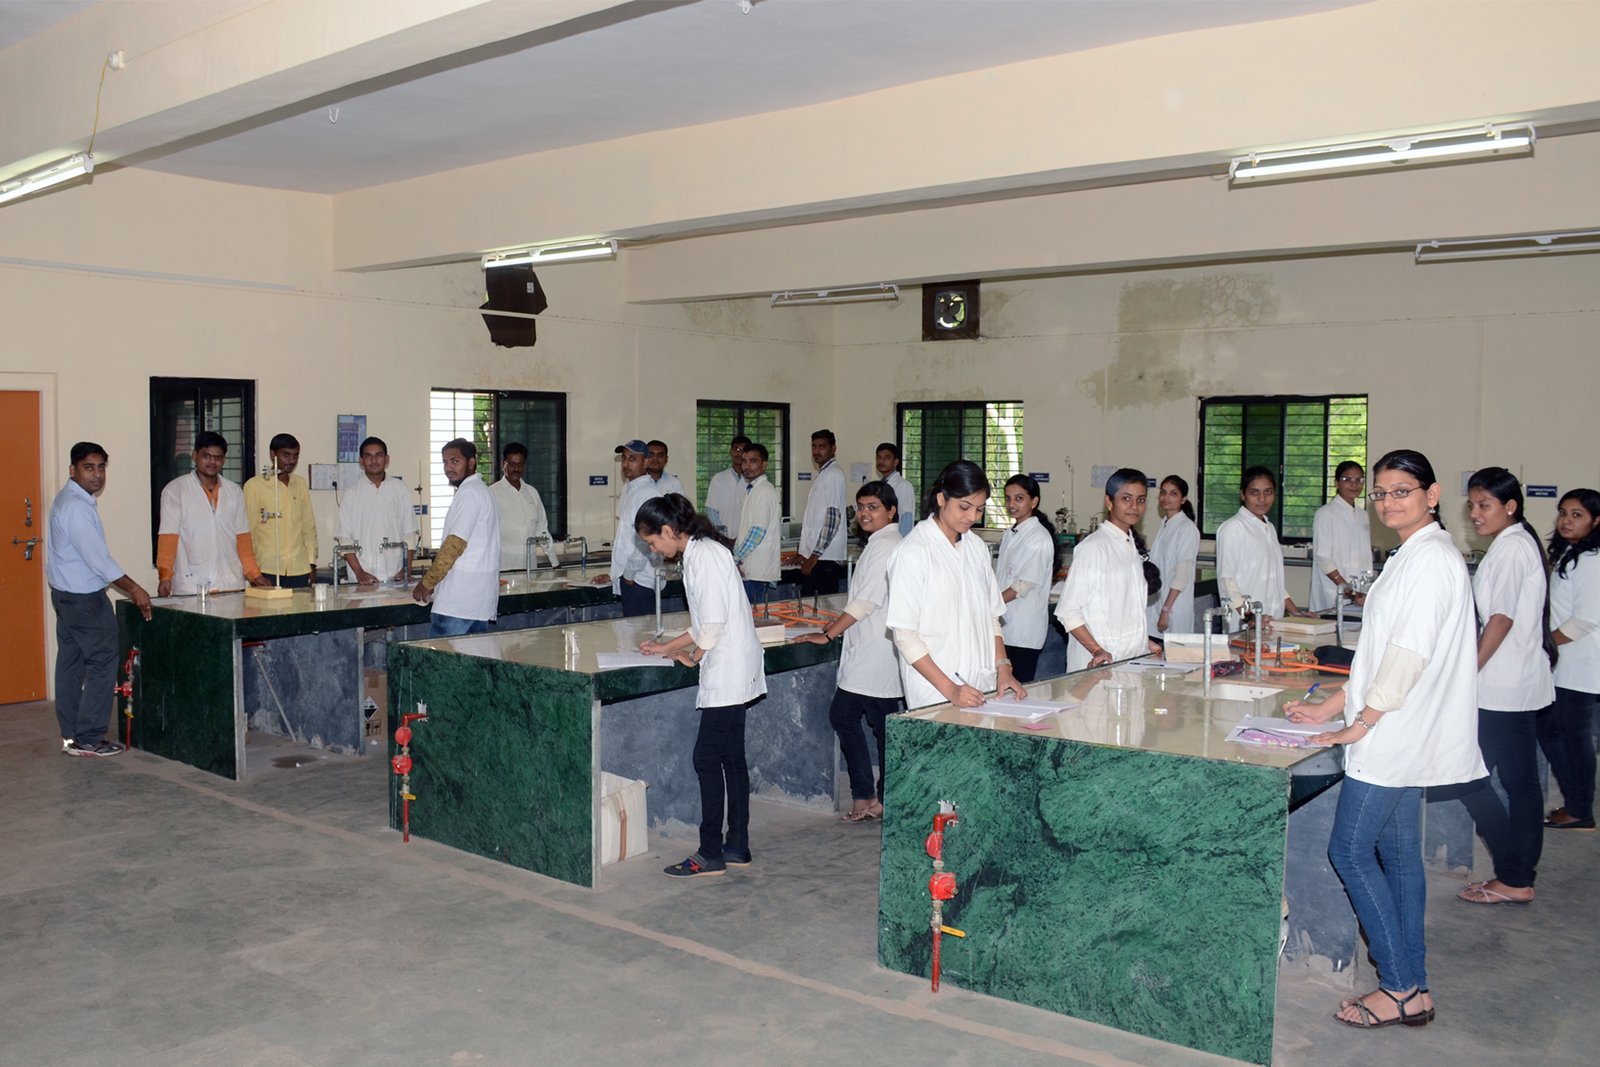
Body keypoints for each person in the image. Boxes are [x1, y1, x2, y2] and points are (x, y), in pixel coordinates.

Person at [1286, 449, 1484, 1029]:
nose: (1388, 502)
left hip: (1395, 733)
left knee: (1349, 851)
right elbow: (1377, 654)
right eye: (1381, 493)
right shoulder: (1411, 554)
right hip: (1399, 729)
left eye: (1402, 491)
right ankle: (1412, 985)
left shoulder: (1432, 560)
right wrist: (1329, 707)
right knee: (1397, 859)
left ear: (1432, 494)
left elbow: (1407, 656)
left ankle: (1396, 986)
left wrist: (1361, 722)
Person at [636, 494, 766, 877]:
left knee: (706, 759)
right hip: (735, 665)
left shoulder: (703, 557)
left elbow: (710, 627)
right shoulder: (702, 551)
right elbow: (705, 622)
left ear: (667, 530)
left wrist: (690, 657)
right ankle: (736, 845)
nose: (653, 550)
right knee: (730, 757)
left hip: (727, 669)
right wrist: (666, 647)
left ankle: (710, 852)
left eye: (652, 542)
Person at [1454, 468, 1556, 904]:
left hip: (1502, 686)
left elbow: (1500, 619)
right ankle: (1518, 876)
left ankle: (1514, 876)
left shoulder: (1512, 548)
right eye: (1472, 505)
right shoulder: (1513, 543)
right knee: (1520, 783)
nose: (1475, 513)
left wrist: (1468, 670)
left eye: (1485, 505)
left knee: (1468, 778)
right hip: (1515, 684)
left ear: (1510, 506)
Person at [798, 481, 904, 819]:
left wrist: (828, 634)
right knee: (878, 723)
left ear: (891, 511)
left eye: (873, 507)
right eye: (861, 507)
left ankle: (872, 796)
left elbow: (864, 603)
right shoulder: (879, 543)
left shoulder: (887, 547)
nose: (864, 513)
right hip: (871, 647)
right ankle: (874, 797)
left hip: (877, 651)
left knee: (849, 716)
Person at [885, 460, 1024, 710]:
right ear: (941, 499)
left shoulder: (976, 548)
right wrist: (951, 689)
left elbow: (991, 616)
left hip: (982, 685)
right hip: (936, 692)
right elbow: (905, 635)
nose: (972, 517)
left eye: (979, 509)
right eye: (964, 507)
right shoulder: (913, 551)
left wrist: (1003, 668)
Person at [46, 442, 153, 757]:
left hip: (66, 597)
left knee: (70, 663)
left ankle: (71, 735)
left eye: (101, 467)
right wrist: (134, 588)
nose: (96, 475)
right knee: (104, 662)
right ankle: (90, 738)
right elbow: (100, 562)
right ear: (73, 470)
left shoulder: (72, 499)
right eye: (88, 468)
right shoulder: (76, 507)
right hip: (84, 600)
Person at [1055, 468, 1162, 671]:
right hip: (1098, 664)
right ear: (1109, 501)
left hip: (1129, 661)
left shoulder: (1130, 545)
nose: (1134, 506)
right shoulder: (1093, 547)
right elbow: (1068, 612)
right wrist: (1097, 650)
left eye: (1140, 500)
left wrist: (1144, 642)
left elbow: (1123, 611)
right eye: (1126, 498)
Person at [1541, 488, 1600, 830]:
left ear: (1596, 520)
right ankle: (1575, 804)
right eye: (1563, 513)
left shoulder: (1593, 559)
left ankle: (1580, 810)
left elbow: (1585, 620)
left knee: (1573, 739)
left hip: (1580, 665)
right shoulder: (1571, 553)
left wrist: (1544, 644)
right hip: (1564, 663)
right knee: (1553, 732)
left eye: (1577, 515)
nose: (1566, 520)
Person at [156, 431, 269, 596]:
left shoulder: (234, 491)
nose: (212, 462)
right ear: (195, 456)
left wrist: (254, 574)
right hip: (192, 585)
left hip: (231, 583)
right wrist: (165, 576)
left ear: (224, 460)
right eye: (206, 456)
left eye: (218, 457)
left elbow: (242, 538)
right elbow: (168, 537)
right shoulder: (176, 490)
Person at [411, 439, 500, 636]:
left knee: (441, 655)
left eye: (455, 461)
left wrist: (427, 582)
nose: (448, 468)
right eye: (445, 462)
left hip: (458, 604)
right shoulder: (481, 490)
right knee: (473, 655)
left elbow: (454, 545)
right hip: (477, 602)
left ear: (471, 462)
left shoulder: (469, 493)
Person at [1215, 465, 1310, 619]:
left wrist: (1296, 612)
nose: (1262, 499)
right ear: (1243, 495)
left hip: (1272, 618)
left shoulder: (1269, 527)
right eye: (1254, 493)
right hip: (1246, 620)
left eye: (1268, 492)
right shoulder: (1232, 528)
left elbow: (1275, 582)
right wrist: (1251, 618)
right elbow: (1227, 582)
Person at [995, 474, 1058, 682]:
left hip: (1024, 630)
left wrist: (990, 605)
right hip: (1006, 626)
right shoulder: (1011, 533)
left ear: (1034, 501)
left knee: (1019, 688)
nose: (1011, 504)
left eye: (1019, 498)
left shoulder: (1038, 537)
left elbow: (1023, 585)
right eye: (1008, 498)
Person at [596, 439, 664, 616]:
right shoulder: (629, 489)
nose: (626, 464)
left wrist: (629, 574)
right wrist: (614, 575)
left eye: (633, 459)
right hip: (630, 578)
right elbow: (626, 536)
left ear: (646, 462)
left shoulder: (647, 493)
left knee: (639, 632)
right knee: (630, 630)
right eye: (624, 458)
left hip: (639, 580)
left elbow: (647, 540)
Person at [337, 436, 417, 586]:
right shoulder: (351, 493)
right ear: (361, 461)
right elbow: (345, 539)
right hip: (361, 580)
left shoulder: (400, 489)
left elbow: (409, 535)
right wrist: (359, 573)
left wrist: (406, 570)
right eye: (368, 456)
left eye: (378, 455)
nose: (374, 460)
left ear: (387, 459)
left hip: (395, 577)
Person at [243, 432, 319, 588]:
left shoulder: (300, 484)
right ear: (273, 455)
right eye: (286, 455)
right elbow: (248, 530)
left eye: (296, 455)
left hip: (299, 569)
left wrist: (311, 564)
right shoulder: (254, 486)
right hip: (266, 569)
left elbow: (308, 527)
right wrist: (253, 572)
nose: (292, 461)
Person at [1311, 461, 1374, 613]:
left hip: (1360, 593)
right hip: (1334, 590)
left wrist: (1363, 590)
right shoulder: (1326, 514)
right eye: (1347, 479)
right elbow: (1322, 558)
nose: (1354, 485)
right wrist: (1346, 589)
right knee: (1333, 622)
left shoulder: (1363, 515)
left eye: (1359, 480)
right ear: (1336, 483)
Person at [491, 441, 559, 572]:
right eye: (512, 464)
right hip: (503, 568)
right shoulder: (492, 493)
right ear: (503, 464)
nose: (516, 469)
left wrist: (555, 563)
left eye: (520, 464)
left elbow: (542, 530)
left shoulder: (532, 493)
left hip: (529, 567)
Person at [1148, 475, 1200, 637]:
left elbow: (1181, 576)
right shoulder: (1165, 524)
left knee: (1173, 649)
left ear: (1183, 499)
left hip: (1173, 607)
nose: (1166, 497)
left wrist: (1165, 610)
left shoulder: (1187, 528)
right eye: (1163, 492)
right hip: (1159, 601)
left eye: (1173, 493)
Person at [798, 429, 848, 596]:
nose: (817, 451)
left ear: (833, 449)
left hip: (825, 558)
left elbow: (832, 519)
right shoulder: (824, 474)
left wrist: (814, 556)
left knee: (818, 605)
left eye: (822, 447)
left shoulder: (833, 474)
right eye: (814, 446)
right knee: (811, 603)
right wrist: (803, 553)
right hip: (819, 557)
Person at [732, 442, 781, 604]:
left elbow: (757, 533)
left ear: (764, 464)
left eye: (753, 461)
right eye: (744, 461)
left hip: (757, 574)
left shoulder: (764, 491)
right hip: (750, 571)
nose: (747, 466)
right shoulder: (753, 490)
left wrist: (735, 559)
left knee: (755, 616)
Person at [704, 435, 751, 536]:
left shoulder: (753, 482)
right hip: (722, 538)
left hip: (746, 539)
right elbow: (711, 510)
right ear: (731, 451)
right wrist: (722, 536)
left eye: (743, 450)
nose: (739, 453)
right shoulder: (718, 479)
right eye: (736, 449)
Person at [875, 442, 917, 536]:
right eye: (879, 457)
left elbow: (906, 518)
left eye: (887, 458)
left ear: (896, 462)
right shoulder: (880, 485)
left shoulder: (903, 486)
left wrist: (900, 542)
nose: (882, 461)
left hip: (896, 540)